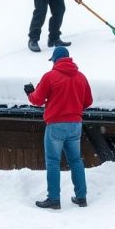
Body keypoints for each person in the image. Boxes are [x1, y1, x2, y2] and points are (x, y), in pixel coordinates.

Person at [24, 46, 93, 210]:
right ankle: (81, 197)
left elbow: (38, 100)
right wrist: (74, 107)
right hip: (76, 125)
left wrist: (29, 92)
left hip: (56, 125)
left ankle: (54, 199)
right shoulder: (81, 77)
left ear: (55, 60)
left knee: (53, 162)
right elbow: (88, 101)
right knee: (76, 161)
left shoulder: (50, 76)